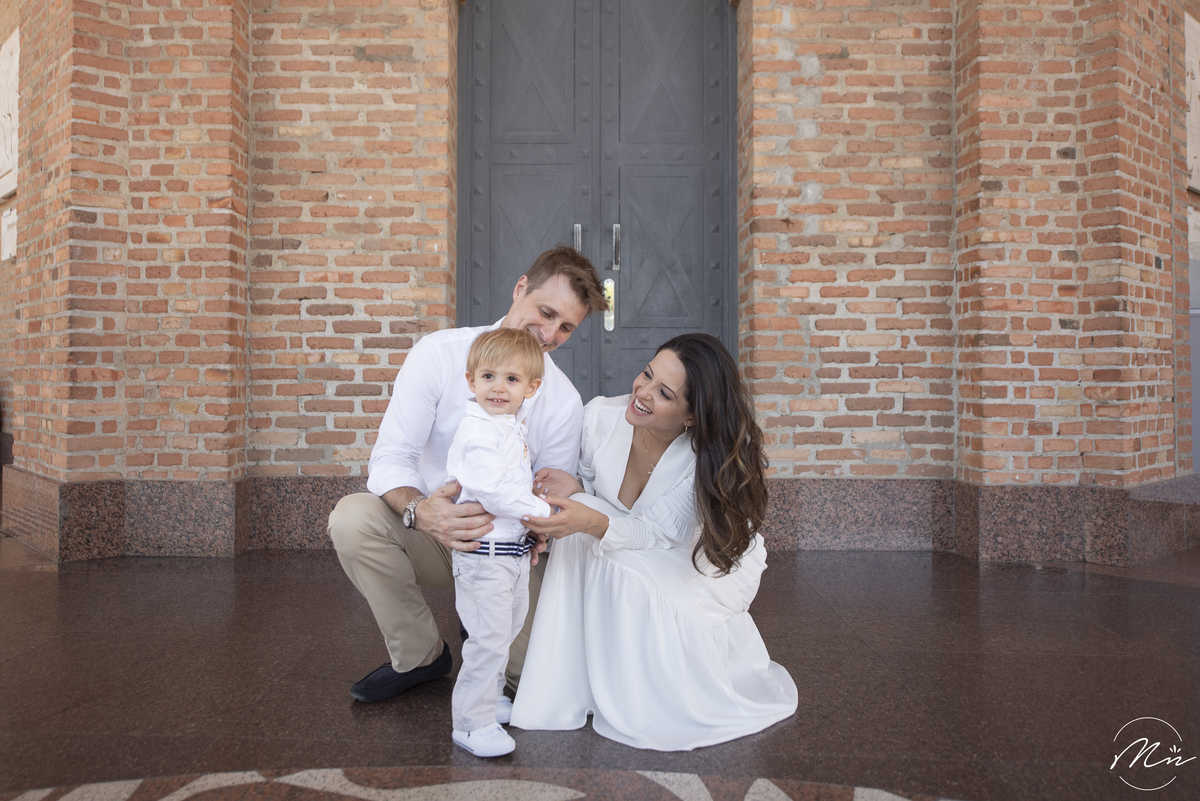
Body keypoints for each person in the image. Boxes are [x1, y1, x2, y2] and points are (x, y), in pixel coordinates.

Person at [328, 246, 608, 704]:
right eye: (546, 312)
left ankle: (480, 621)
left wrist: (541, 529)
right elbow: (391, 457)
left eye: (566, 327)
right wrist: (422, 511)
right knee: (352, 518)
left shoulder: (563, 401)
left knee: (528, 686)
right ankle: (419, 655)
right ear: (520, 288)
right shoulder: (439, 354)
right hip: (431, 530)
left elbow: (547, 492)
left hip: (508, 550)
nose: (549, 334)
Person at [511, 333, 798, 751]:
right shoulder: (599, 418)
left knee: (615, 557)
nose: (642, 392)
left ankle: (642, 694)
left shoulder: (701, 459)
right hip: (634, 540)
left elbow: (655, 534)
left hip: (693, 562)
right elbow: (593, 484)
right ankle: (572, 683)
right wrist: (575, 486)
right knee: (585, 523)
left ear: (692, 416)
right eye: (647, 374)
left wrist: (592, 519)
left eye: (664, 393)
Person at [445, 328, 552, 758]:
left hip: (512, 554)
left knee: (504, 633)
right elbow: (493, 492)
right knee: (486, 640)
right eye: (488, 376)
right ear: (470, 381)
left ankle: (489, 700)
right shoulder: (477, 432)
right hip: (484, 557)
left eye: (512, 379)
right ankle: (472, 724)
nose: (498, 388)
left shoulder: (508, 426)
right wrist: (543, 512)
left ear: (531, 388)